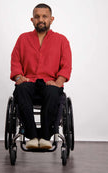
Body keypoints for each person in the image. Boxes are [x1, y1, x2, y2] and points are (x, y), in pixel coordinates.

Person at [10, 3, 72, 149]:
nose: (41, 19)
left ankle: (45, 137)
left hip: (50, 84)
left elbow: (66, 65)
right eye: (37, 17)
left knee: (52, 91)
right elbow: (15, 61)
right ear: (32, 20)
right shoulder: (23, 39)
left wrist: (58, 82)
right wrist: (19, 77)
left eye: (45, 16)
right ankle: (31, 136)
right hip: (28, 82)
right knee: (21, 88)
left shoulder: (61, 40)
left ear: (52, 19)